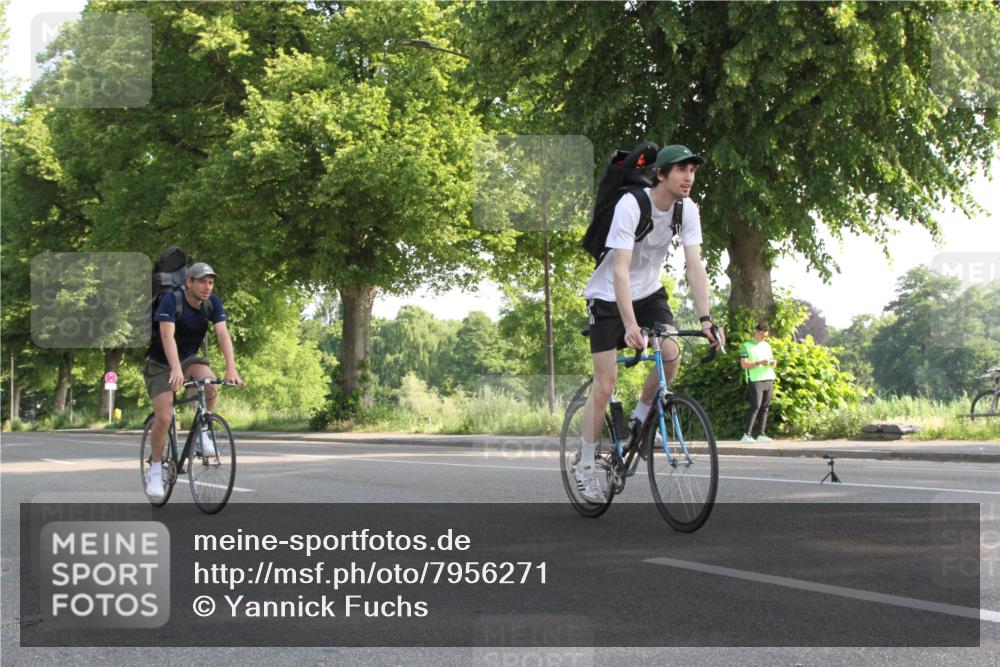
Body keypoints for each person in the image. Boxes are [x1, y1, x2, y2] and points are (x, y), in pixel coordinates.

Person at [577, 144, 723, 502]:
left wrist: (706, 320)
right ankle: (584, 465)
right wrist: (629, 324)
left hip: (649, 293)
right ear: (662, 174)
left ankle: (640, 420)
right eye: (681, 170)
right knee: (605, 383)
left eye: (692, 170)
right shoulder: (632, 205)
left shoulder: (687, 210)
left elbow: (694, 266)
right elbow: (620, 269)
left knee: (671, 353)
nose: (688, 177)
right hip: (609, 294)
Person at [143, 262, 243, 500]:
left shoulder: (212, 303)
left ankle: (203, 433)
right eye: (202, 281)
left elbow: (222, 333)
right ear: (189, 282)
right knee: (165, 417)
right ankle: (155, 470)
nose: (207, 287)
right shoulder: (171, 300)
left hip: (188, 359)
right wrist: (175, 369)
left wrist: (231, 369)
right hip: (160, 363)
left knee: (209, 385)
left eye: (210, 282)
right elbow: (167, 335)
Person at [739, 322, 776, 443]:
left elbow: (771, 361)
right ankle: (746, 435)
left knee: (765, 407)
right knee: (755, 406)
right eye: (762, 334)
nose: (763, 337)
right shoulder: (746, 346)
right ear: (756, 332)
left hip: (769, 378)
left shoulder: (767, 345)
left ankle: (761, 434)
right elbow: (744, 365)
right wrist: (759, 363)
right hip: (755, 379)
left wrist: (772, 363)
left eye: (765, 335)